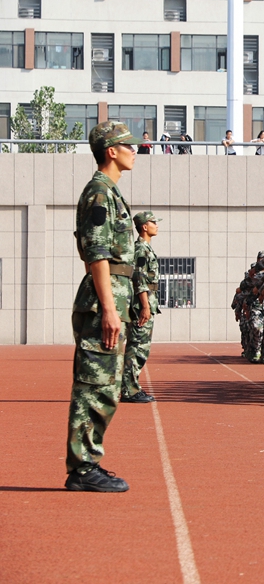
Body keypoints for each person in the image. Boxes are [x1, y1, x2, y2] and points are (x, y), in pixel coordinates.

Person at [66, 121, 144, 493]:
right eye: (129, 146)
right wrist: (109, 309)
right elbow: (96, 254)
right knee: (94, 386)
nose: (136, 150)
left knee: (107, 387)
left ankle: (88, 462)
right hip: (105, 302)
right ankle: (82, 469)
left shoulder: (109, 193)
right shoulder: (99, 193)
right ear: (110, 151)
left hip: (114, 296)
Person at [121, 211, 162, 404]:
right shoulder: (140, 249)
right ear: (144, 226)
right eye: (153, 222)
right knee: (137, 348)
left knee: (140, 348)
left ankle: (130, 386)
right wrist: (145, 306)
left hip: (147, 302)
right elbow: (139, 279)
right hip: (141, 305)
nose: (157, 225)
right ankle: (129, 390)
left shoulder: (145, 248)